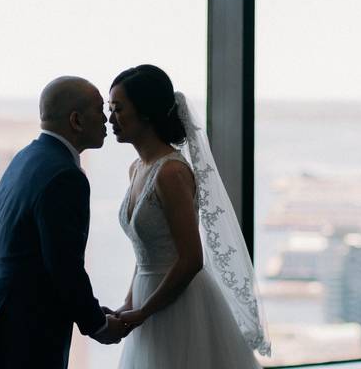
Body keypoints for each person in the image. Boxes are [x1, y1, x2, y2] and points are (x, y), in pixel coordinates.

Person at [107, 65, 271, 368]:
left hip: (178, 303)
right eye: (109, 109)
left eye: (118, 109)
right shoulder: (136, 168)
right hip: (148, 297)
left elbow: (192, 258)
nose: (110, 118)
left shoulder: (171, 172)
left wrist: (144, 311)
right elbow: (143, 253)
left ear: (144, 111)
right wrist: (129, 304)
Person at [0, 76, 130, 369]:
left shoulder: (25, 157)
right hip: (24, 336)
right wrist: (98, 325)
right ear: (76, 120)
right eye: (99, 109)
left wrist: (93, 315)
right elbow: (64, 265)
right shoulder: (66, 176)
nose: (106, 119)